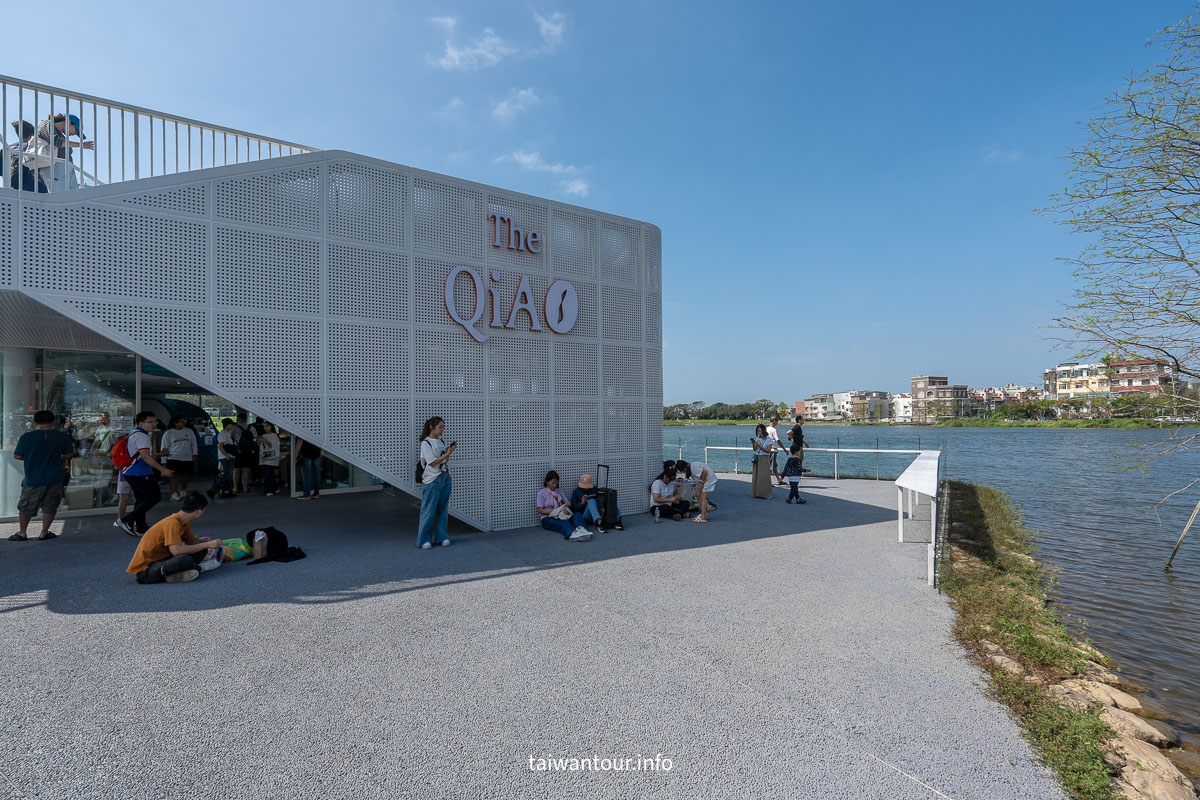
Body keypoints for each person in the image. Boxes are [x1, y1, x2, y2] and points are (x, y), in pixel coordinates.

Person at [126, 492, 222, 584]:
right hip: (146, 570)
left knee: (202, 550)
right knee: (184, 559)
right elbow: (176, 551)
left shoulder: (184, 521)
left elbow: (191, 541)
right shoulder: (172, 523)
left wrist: (210, 545)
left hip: (163, 559)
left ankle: (176, 574)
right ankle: (200, 568)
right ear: (198, 511)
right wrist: (206, 544)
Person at [8, 410, 75, 541]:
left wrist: (32, 458)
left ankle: (22, 533)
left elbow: (17, 455)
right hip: (55, 476)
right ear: (53, 421)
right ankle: (44, 532)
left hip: (33, 478)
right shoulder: (61, 437)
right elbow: (69, 454)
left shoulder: (27, 437)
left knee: (26, 505)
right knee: (50, 505)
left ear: (35, 422)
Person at [116, 411, 174, 536]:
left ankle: (141, 527)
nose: (154, 424)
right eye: (150, 422)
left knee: (141, 499)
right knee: (154, 497)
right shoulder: (142, 436)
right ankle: (127, 520)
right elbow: (145, 457)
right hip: (139, 472)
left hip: (132, 472)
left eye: (155, 422)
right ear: (141, 423)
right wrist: (162, 469)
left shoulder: (135, 433)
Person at [417, 416, 455, 548]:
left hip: (445, 477)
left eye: (443, 427)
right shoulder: (425, 443)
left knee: (443, 510)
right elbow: (432, 463)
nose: (443, 430)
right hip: (432, 479)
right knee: (428, 510)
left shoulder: (441, 441)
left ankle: (441, 537)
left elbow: (444, 461)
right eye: (440, 427)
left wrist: (448, 453)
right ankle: (424, 540)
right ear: (431, 428)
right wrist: (446, 454)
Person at [35, 113, 93, 192]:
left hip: (65, 168)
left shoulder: (59, 133)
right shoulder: (47, 124)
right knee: (60, 196)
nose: (75, 134)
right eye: (76, 130)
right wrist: (81, 145)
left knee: (72, 197)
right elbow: (56, 141)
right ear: (68, 122)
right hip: (55, 167)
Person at [539, 470, 591, 541]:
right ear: (547, 482)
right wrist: (553, 512)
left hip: (561, 515)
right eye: (553, 483)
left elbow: (566, 501)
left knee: (577, 515)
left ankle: (583, 530)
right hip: (548, 518)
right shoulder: (542, 493)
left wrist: (567, 503)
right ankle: (573, 533)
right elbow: (539, 509)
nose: (555, 485)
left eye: (556, 483)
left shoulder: (559, 491)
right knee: (564, 522)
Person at [160, 415, 198, 501]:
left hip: (187, 457)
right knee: (175, 476)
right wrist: (163, 460)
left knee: (185, 475)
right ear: (175, 422)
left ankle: (183, 490)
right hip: (173, 458)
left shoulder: (189, 431)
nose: (183, 423)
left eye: (184, 421)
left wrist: (194, 454)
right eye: (181, 421)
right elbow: (164, 447)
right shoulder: (169, 433)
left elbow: (194, 443)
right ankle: (174, 493)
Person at [8, 120, 47, 193]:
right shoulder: (32, 148)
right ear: (33, 134)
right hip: (29, 183)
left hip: (11, 183)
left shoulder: (9, 148)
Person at [207, 418, 237, 500]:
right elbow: (220, 446)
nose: (232, 426)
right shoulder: (223, 434)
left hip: (229, 456)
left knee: (228, 475)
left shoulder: (228, 433)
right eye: (231, 424)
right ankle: (213, 489)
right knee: (226, 474)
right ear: (227, 425)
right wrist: (226, 455)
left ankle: (226, 491)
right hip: (226, 457)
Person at [232, 412, 258, 494]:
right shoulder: (252, 428)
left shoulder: (235, 428)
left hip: (238, 451)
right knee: (246, 470)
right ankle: (246, 487)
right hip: (249, 452)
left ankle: (235, 487)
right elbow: (255, 439)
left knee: (236, 470)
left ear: (238, 419)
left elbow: (231, 437)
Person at [256, 422, 281, 496]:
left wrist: (264, 441)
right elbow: (261, 447)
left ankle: (268, 490)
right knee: (269, 474)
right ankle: (275, 488)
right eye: (264, 426)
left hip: (272, 458)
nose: (265, 428)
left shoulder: (274, 436)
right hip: (265, 457)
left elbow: (272, 446)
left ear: (271, 427)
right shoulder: (264, 435)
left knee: (268, 474)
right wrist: (259, 442)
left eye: (267, 426)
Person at [750, 423, 774, 499]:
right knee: (756, 476)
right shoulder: (758, 439)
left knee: (764, 476)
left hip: (764, 458)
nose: (759, 433)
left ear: (764, 431)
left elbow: (768, 451)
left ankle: (766, 493)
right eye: (758, 431)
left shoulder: (769, 439)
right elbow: (755, 449)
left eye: (760, 431)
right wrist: (754, 444)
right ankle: (756, 492)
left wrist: (761, 447)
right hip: (757, 457)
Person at [767, 417, 785, 486]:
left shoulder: (766, 429)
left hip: (767, 450)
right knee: (771, 467)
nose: (777, 422)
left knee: (774, 466)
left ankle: (779, 480)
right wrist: (784, 449)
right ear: (774, 421)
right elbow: (778, 440)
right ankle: (768, 482)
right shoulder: (773, 430)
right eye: (777, 421)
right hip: (772, 450)